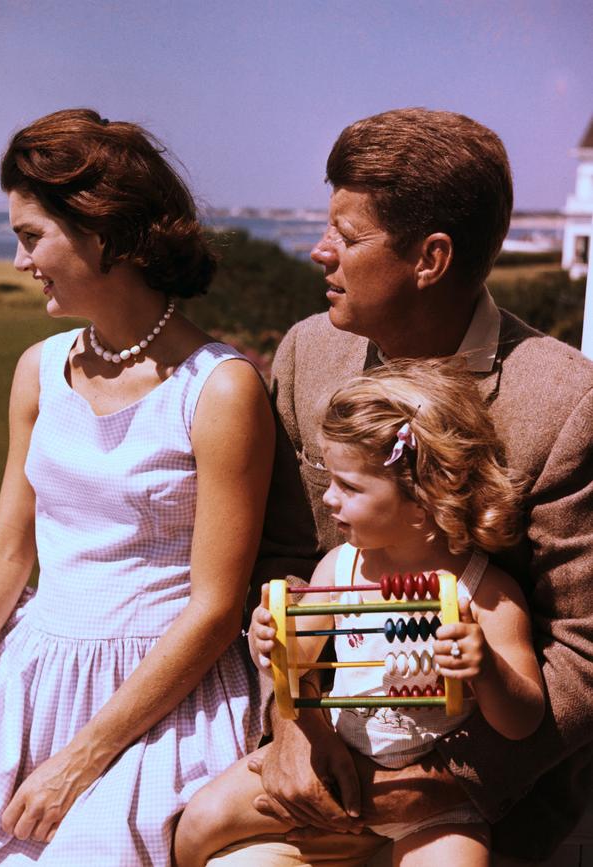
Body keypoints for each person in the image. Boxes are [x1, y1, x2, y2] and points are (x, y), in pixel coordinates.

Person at [208, 109, 593, 866]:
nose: (321, 251)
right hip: (315, 764)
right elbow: (280, 556)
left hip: (475, 804)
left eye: (347, 238)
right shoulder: (307, 351)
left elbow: (581, 649)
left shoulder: (567, 402)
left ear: (431, 258)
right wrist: (293, 725)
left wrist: (441, 783)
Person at [0, 108, 274, 865]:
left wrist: (80, 759)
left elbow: (217, 607)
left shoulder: (218, 391)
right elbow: (6, 546)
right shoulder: (39, 370)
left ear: (102, 233)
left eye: (32, 237)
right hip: (27, 680)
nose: (21, 260)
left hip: (155, 705)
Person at [174, 358, 545, 867]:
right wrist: (272, 645)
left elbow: (523, 721)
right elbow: (299, 664)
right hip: (333, 762)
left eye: (348, 487)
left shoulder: (486, 595)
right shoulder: (340, 567)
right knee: (197, 824)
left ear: (423, 498)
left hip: (431, 803)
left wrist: (488, 669)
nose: (328, 499)